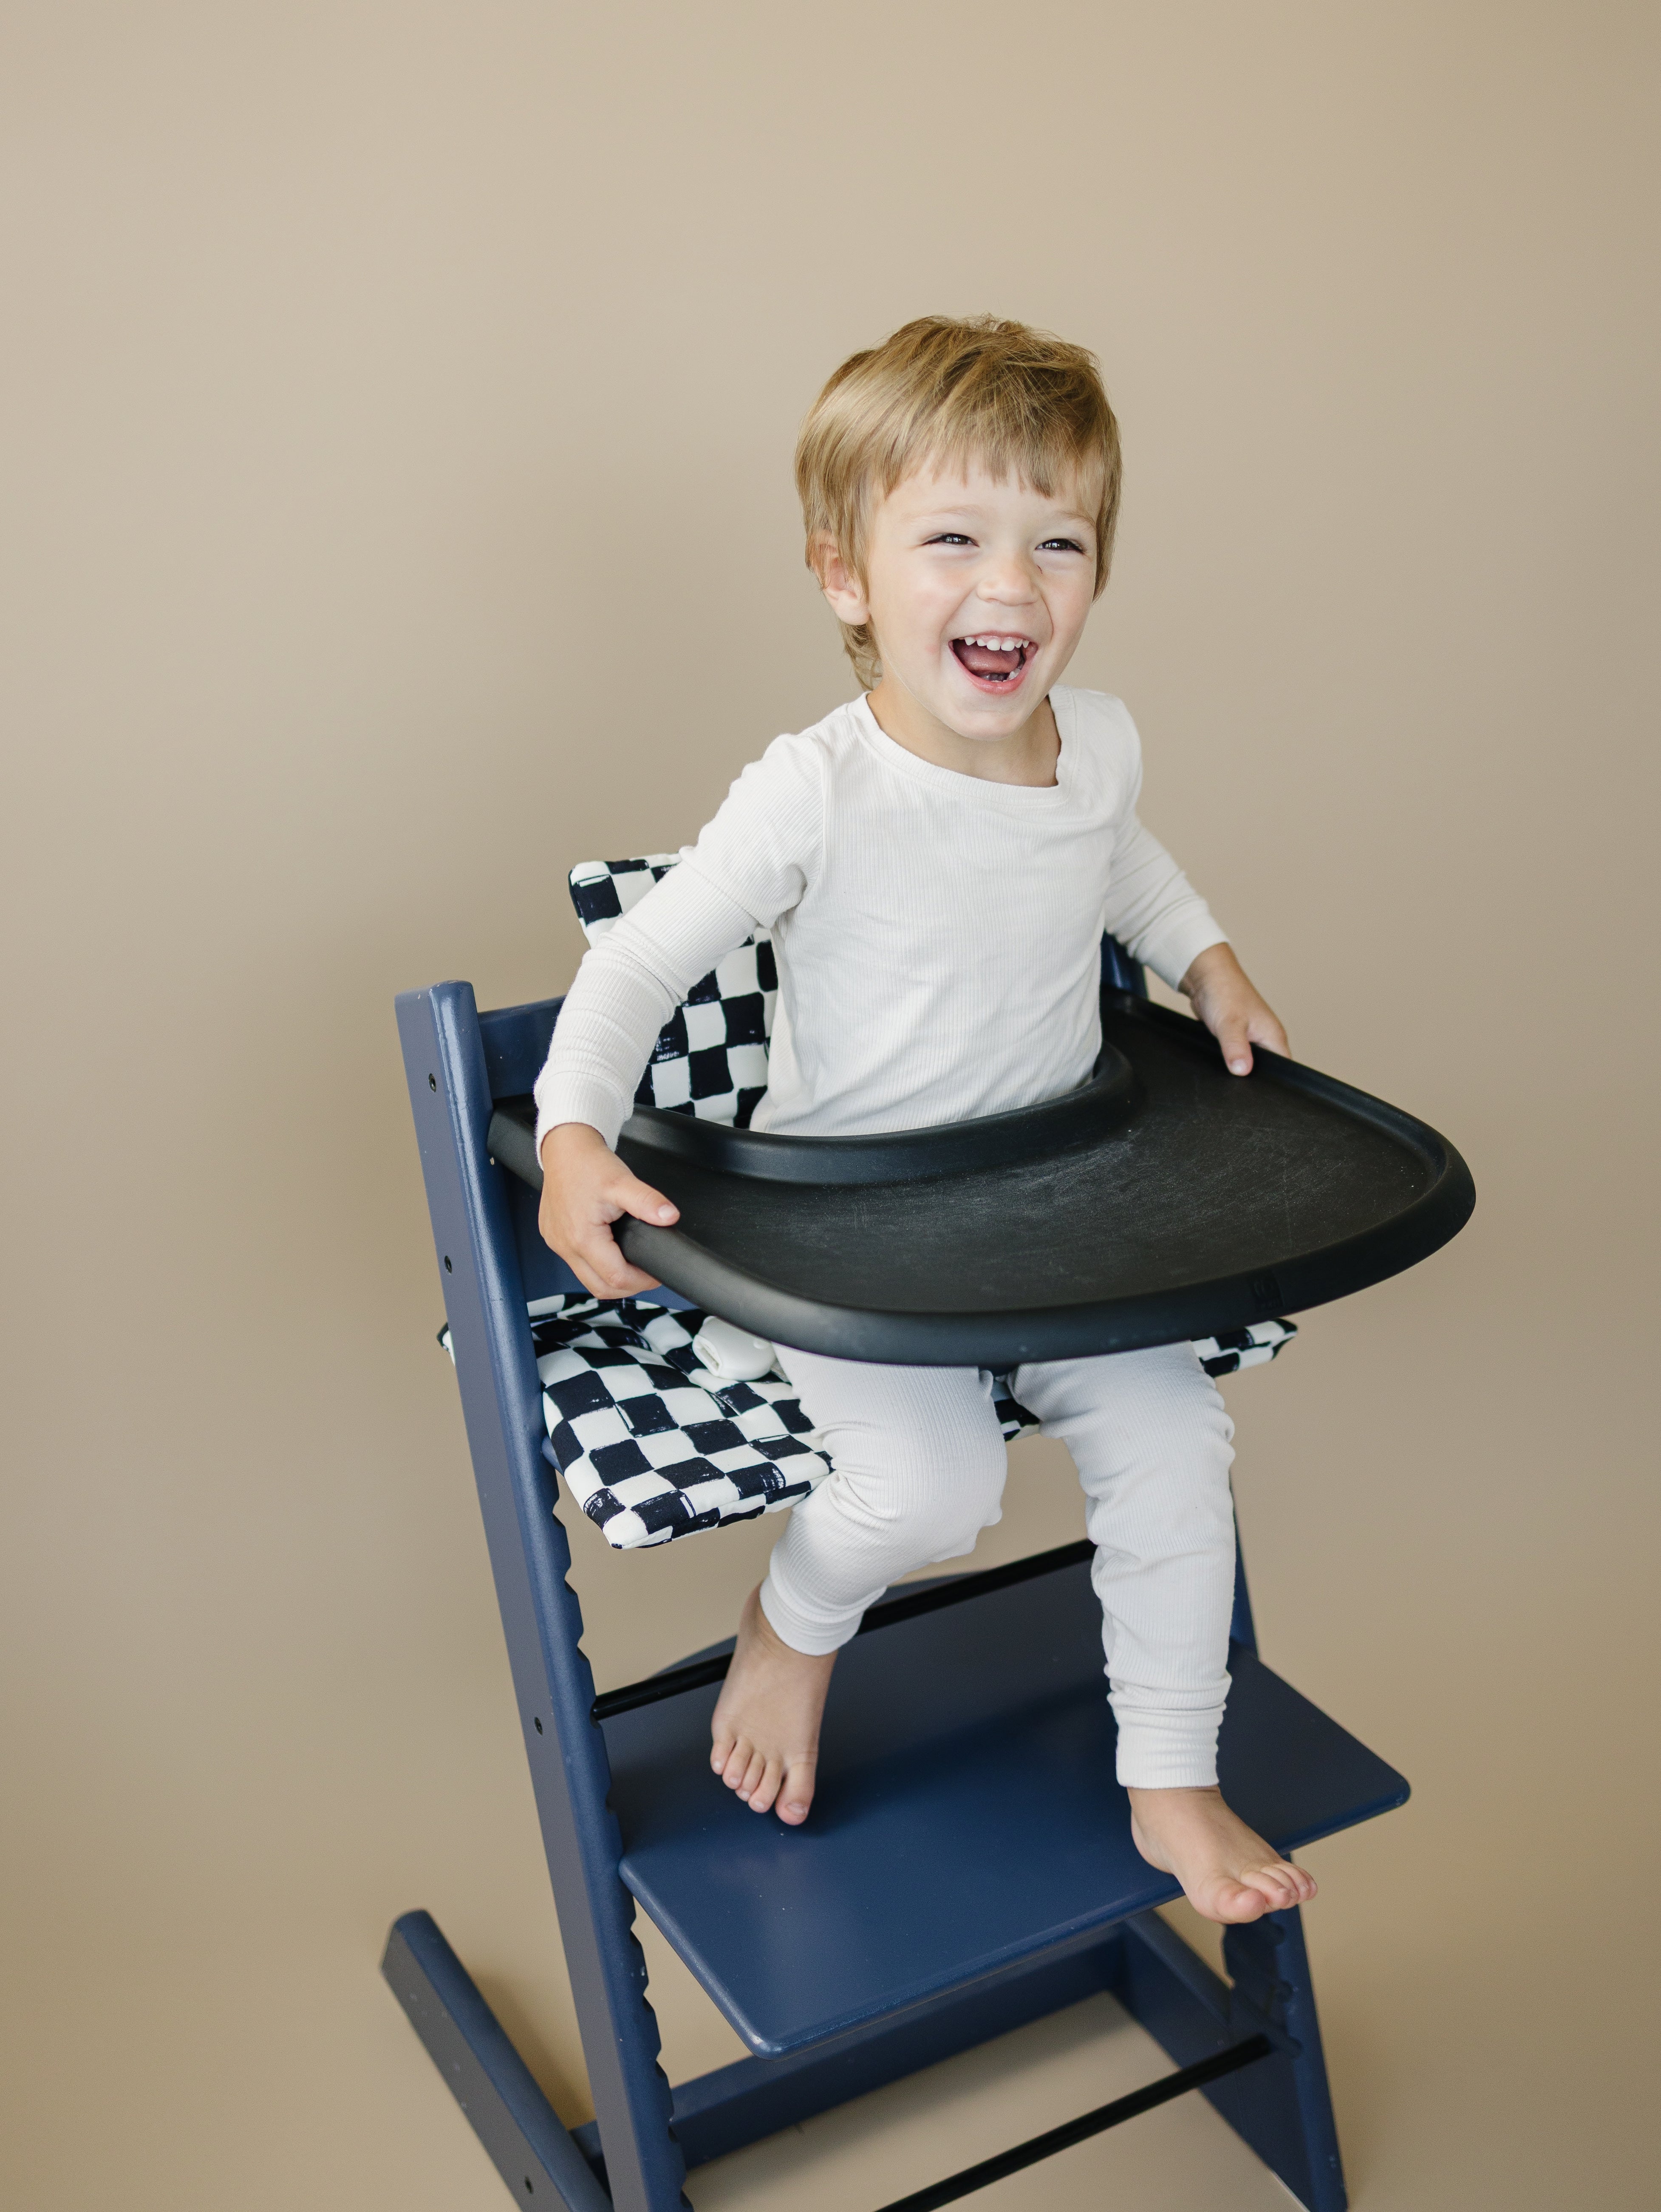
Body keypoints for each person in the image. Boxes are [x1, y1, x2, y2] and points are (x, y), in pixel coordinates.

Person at [532, 316, 1316, 1926]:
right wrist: (571, 1139)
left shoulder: (1095, 746)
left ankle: (1171, 1774)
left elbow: (1125, 867)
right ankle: (791, 1629)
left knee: (1177, 1434)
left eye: (1058, 544)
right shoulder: (816, 791)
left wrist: (1212, 965)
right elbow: (641, 965)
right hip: (856, 1238)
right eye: (953, 540)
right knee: (928, 1495)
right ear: (847, 578)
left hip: (1051, 1212)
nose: (1011, 589)